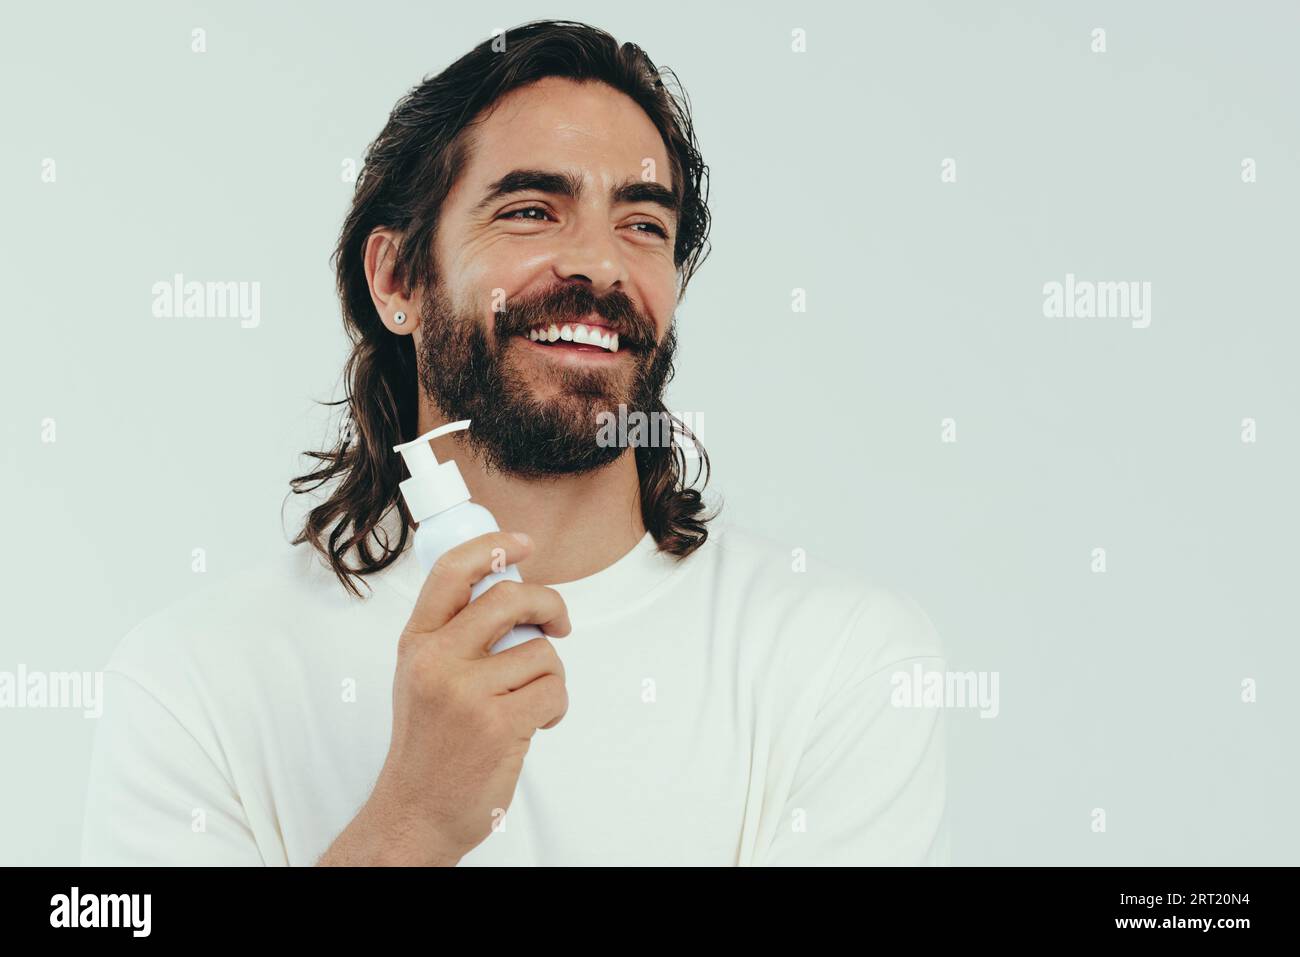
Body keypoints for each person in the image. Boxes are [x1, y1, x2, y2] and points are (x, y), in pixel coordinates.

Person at [81, 19, 948, 866]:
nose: (601, 265)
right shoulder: (192, 685)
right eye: (534, 210)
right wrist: (411, 824)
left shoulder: (843, 664)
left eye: (643, 224)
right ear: (395, 280)